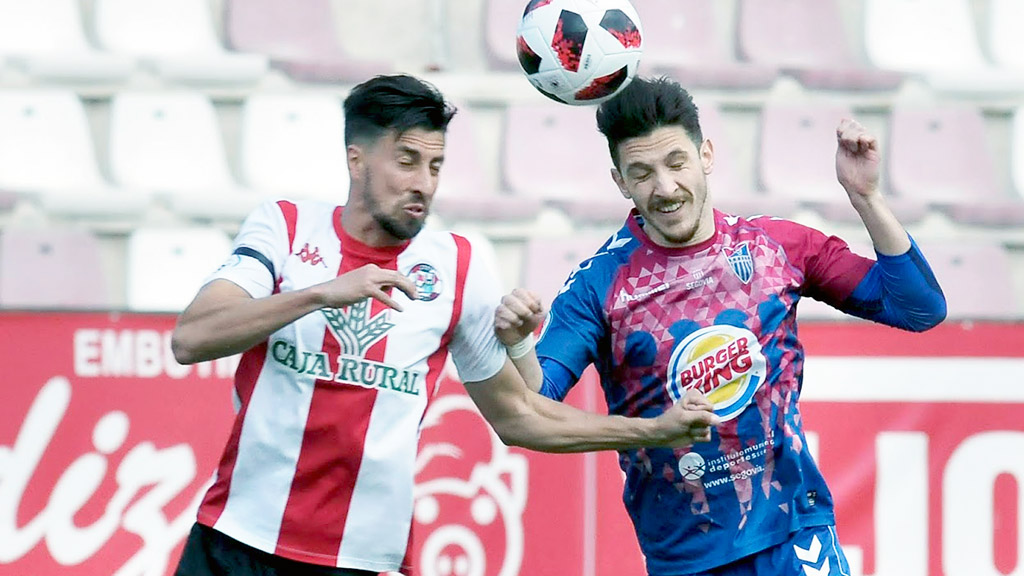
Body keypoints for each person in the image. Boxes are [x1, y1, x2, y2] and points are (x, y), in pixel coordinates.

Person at [168, 74, 720, 576]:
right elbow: (191, 338)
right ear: (356, 159)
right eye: (406, 161)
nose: (424, 184)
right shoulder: (286, 228)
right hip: (235, 543)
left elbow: (522, 415)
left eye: (434, 167)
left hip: (362, 560)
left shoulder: (456, 266)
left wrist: (652, 429)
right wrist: (316, 295)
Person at [494, 76, 947, 576]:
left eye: (676, 163)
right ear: (620, 181)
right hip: (687, 556)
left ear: (705, 154)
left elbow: (919, 309)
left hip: (794, 534)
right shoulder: (599, 286)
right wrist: (518, 345)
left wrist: (866, 197)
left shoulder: (777, 248)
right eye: (641, 173)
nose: (664, 188)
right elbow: (537, 406)